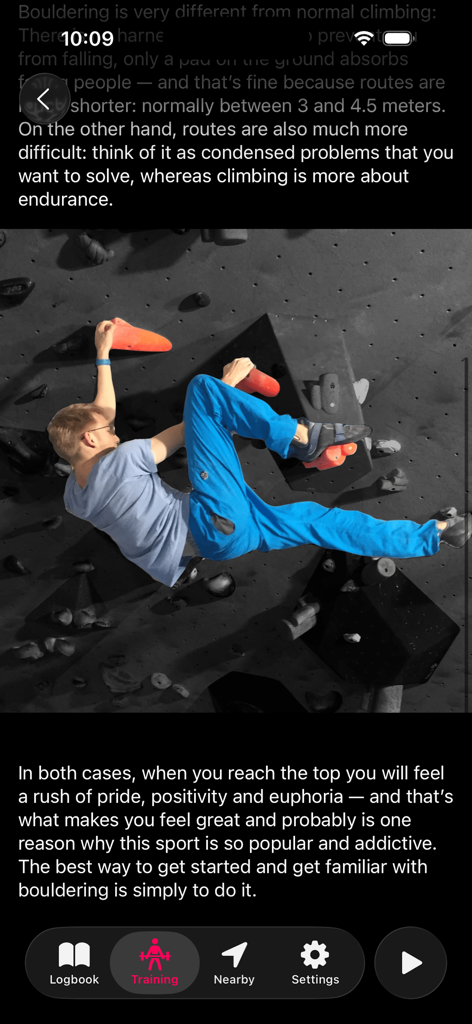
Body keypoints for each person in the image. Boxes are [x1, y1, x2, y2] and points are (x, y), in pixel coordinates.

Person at [46, 320, 471, 588]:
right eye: (109, 433)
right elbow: (188, 429)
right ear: (90, 441)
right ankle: (301, 439)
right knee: (203, 391)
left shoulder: (76, 498)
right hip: (212, 521)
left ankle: (434, 535)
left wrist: (104, 355)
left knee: (322, 522)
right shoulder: (122, 460)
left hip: (224, 544)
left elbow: (97, 422)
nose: (116, 434)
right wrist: (226, 384)